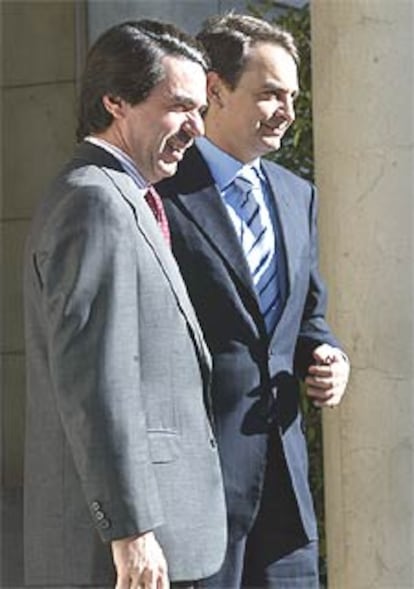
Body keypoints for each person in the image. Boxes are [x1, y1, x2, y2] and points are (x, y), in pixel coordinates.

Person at [23, 20, 227, 589]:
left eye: (201, 111)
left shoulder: (124, 196)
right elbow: (96, 382)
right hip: (124, 555)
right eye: (180, 107)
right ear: (115, 102)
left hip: (158, 543)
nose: (197, 128)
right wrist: (131, 531)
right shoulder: (94, 202)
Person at [157, 13, 350, 589]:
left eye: (292, 96)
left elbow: (307, 317)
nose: (288, 111)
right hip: (198, 495)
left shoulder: (297, 194)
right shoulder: (160, 192)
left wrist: (330, 357)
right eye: (270, 94)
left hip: (286, 497)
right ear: (214, 90)